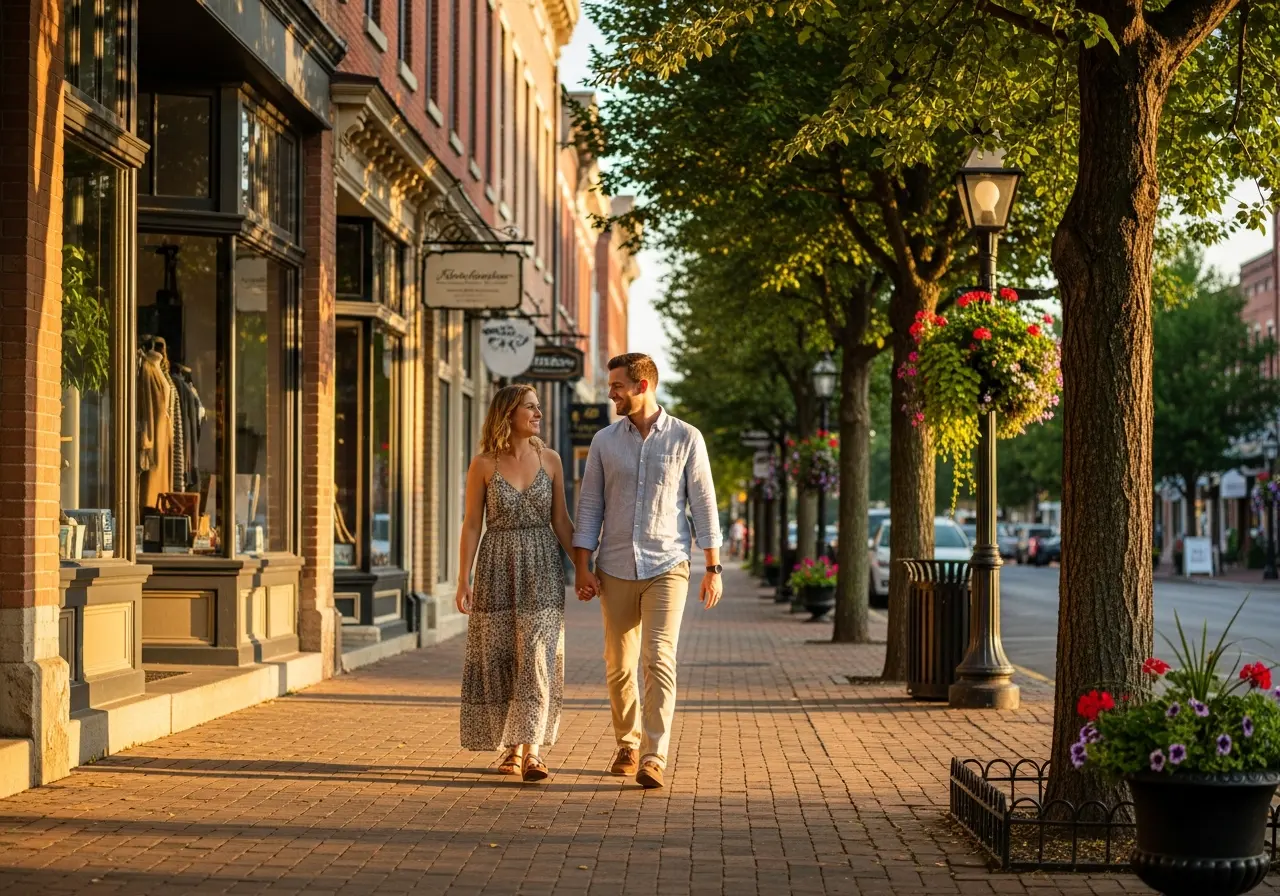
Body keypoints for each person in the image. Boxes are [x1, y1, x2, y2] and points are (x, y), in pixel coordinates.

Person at [573, 353, 723, 789]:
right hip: (615, 565)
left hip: (667, 565)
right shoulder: (603, 441)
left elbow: (704, 504)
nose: (610, 393)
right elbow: (590, 506)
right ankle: (627, 742)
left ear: (642, 386)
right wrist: (582, 566)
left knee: (658, 658)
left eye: (617, 386)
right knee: (619, 663)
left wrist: (713, 567)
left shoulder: (686, 438)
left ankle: (654, 754)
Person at [457, 384, 576, 782]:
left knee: (538, 656)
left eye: (539, 407)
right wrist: (463, 578)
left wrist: (585, 567)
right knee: (504, 656)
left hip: (543, 566)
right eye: (530, 407)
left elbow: (561, 522)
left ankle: (534, 750)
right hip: (496, 567)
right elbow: (473, 523)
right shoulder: (483, 464)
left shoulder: (553, 461)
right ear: (508, 414)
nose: (538, 413)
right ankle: (510, 747)